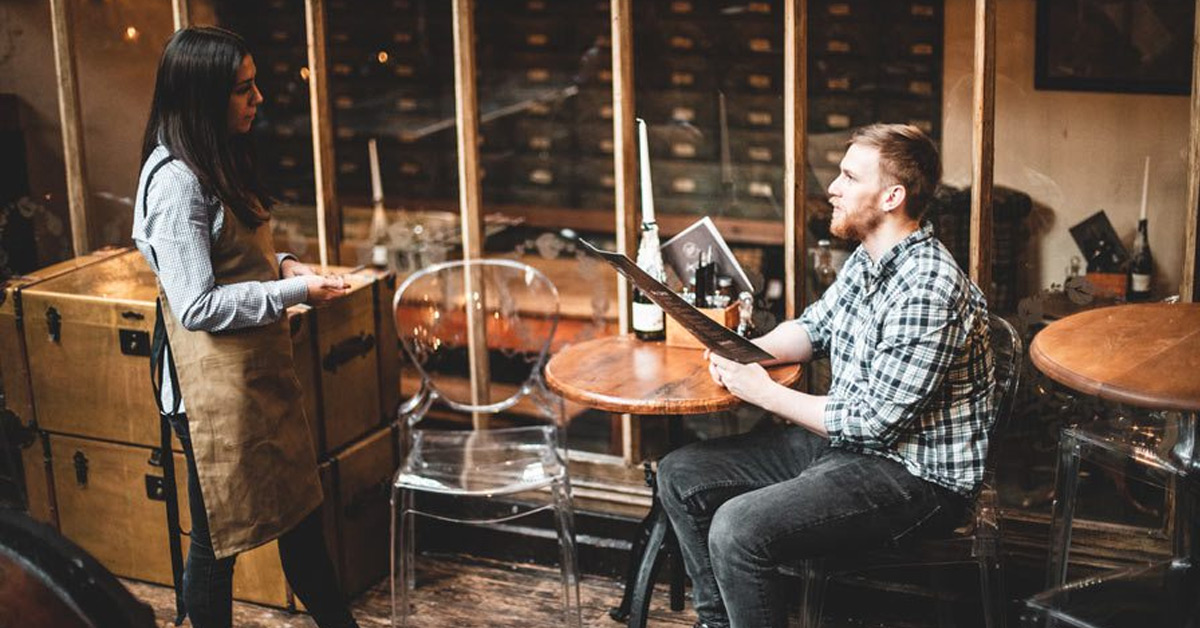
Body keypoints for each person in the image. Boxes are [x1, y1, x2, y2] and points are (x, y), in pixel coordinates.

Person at [658, 123, 995, 628]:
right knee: (681, 473)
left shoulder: (927, 286)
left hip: (916, 478)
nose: (832, 188)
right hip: (850, 451)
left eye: (847, 176)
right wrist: (744, 353)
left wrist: (765, 394)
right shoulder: (871, 258)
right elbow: (816, 328)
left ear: (892, 196)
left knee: (736, 528)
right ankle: (721, 622)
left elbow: (876, 424)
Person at [131, 27, 358, 628]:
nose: (258, 100)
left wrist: (286, 264)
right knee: (216, 545)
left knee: (302, 517)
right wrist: (293, 291)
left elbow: (236, 252)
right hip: (209, 394)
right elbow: (196, 306)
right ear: (203, 97)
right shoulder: (177, 182)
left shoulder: (217, 152)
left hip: (254, 375)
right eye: (243, 89)